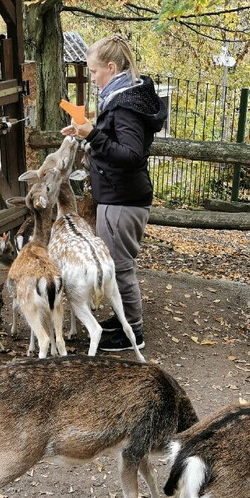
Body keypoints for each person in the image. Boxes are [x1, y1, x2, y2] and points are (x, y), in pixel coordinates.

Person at [61, 34, 167, 352]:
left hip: (123, 199)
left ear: (110, 67)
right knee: (118, 263)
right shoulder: (122, 97)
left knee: (120, 266)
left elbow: (131, 154)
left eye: (94, 72)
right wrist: (90, 129)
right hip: (116, 196)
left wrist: (92, 133)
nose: (92, 79)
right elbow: (118, 140)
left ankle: (133, 332)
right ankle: (123, 323)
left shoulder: (125, 105)